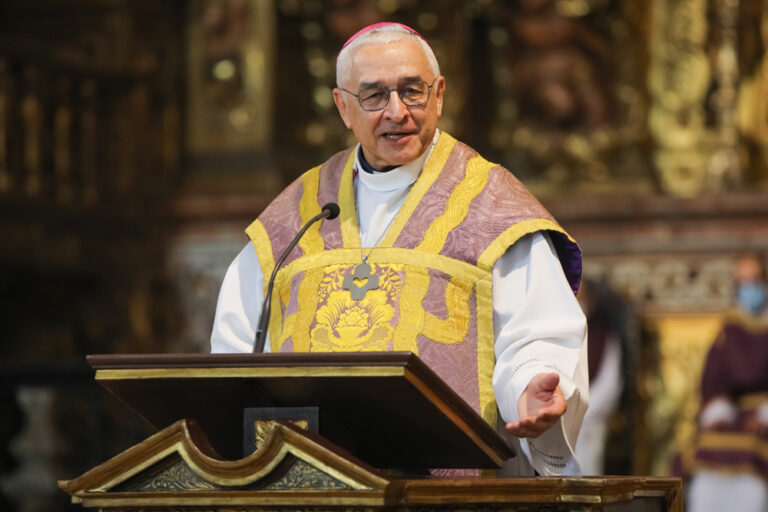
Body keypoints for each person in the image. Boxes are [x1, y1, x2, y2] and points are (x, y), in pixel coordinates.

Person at [210, 22, 588, 476]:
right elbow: (236, 355)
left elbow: (537, 335)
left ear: (440, 94)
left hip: (451, 496)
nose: (397, 112)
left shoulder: (493, 207)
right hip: (313, 492)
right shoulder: (294, 216)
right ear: (342, 107)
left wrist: (532, 388)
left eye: (412, 91)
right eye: (373, 96)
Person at [687, 253, 768, 511]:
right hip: (731, 419)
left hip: (764, 421)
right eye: (742, 283)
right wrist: (718, 413)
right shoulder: (729, 329)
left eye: (754, 280)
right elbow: (712, 382)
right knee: (703, 458)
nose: (749, 289)